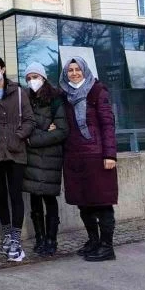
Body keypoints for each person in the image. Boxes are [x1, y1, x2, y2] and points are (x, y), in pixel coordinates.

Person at [59, 57, 118, 262]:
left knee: (102, 202)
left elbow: (108, 124)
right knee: (83, 203)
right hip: (75, 157)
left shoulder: (97, 91)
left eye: (77, 69)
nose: (74, 73)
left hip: (96, 156)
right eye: (70, 70)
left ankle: (106, 246)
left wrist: (109, 155)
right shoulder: (65, 95)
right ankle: (93, 241)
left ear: (85, 71)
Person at [0, 56, 36, 262]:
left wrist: (18, 136)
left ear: (3, 69)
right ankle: (6, 236)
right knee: (0, 195)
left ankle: (16, 239)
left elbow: (29, 119)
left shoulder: (19, 92)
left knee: (15, 195)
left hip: (15, 151)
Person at [22, 62, 69, 256]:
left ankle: (52, 239)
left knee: (49, 199)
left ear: (43, 77)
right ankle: (40, 239)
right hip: (32, 159)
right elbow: (23, 124)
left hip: (50, 157)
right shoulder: (25, 98)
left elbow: (61, 131)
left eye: (35, 77)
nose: (32, 81)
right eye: (29, 78)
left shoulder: (56, 99)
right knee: (34, 200)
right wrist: (44, 130)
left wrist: (32, 139)